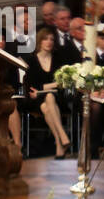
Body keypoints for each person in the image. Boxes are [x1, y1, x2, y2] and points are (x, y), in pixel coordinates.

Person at [24, 27, 71, 158]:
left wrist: (43, 88)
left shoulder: (58, 59)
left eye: (51, 39)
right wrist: (52, 85)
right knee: (47, 100)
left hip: (57, 99)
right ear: (40, 41)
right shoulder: (32, 60)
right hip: (37, 99)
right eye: (45, 39)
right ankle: (62, 137)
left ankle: (59, 143)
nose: (49, 42)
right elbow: (32, 86)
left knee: (48, 102)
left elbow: (62, 82)